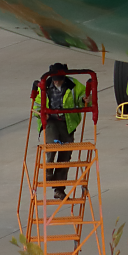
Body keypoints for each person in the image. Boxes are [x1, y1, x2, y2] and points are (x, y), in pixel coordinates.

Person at [34, 63, 88, 198]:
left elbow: (84, 99)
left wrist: (84, 100)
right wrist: (41, 113)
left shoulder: (74, 85)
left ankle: (59, 189)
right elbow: (36, 105)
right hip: (50, 122)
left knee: (65, 156)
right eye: (55, 78)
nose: (57, 81)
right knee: (52, 146)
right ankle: (48, 174)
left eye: (59, 78)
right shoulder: (44, 86)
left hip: (67, 122)